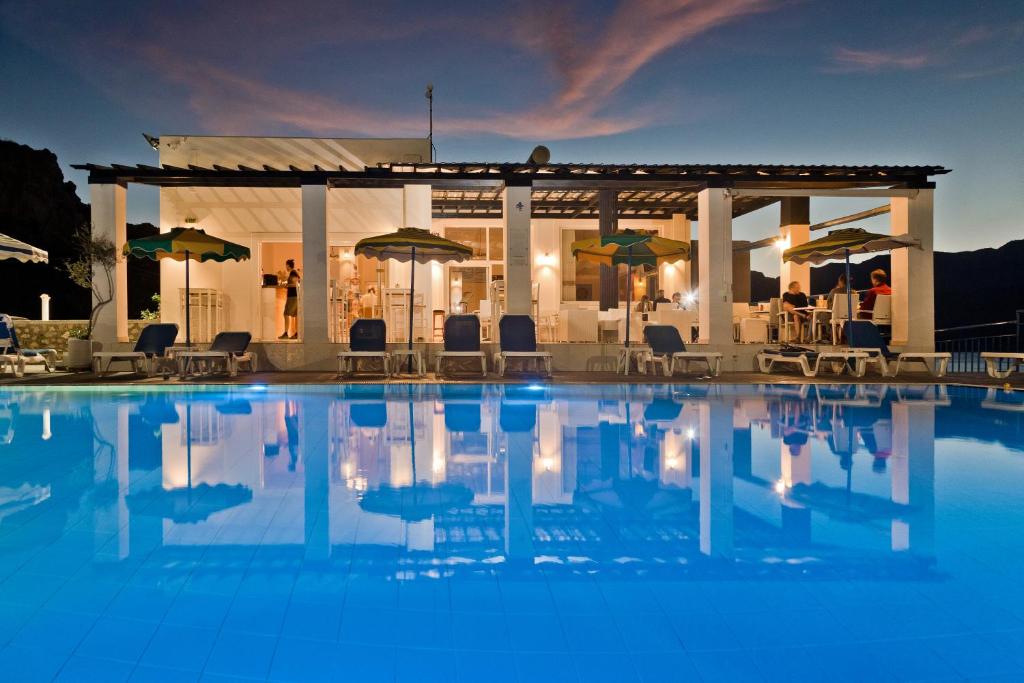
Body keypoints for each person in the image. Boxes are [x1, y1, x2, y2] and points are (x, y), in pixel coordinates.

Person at [280, 259, 300, 339]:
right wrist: (287, 284)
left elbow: (295, 284)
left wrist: (287, 285)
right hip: (294, 296)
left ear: (288, 265)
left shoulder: (293, 272)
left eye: (286, 265)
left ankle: (286, 333)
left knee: (286, 313)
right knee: (295, 315)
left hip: (292, 297)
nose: (286, 267)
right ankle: (296, 333)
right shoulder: (293, 273)